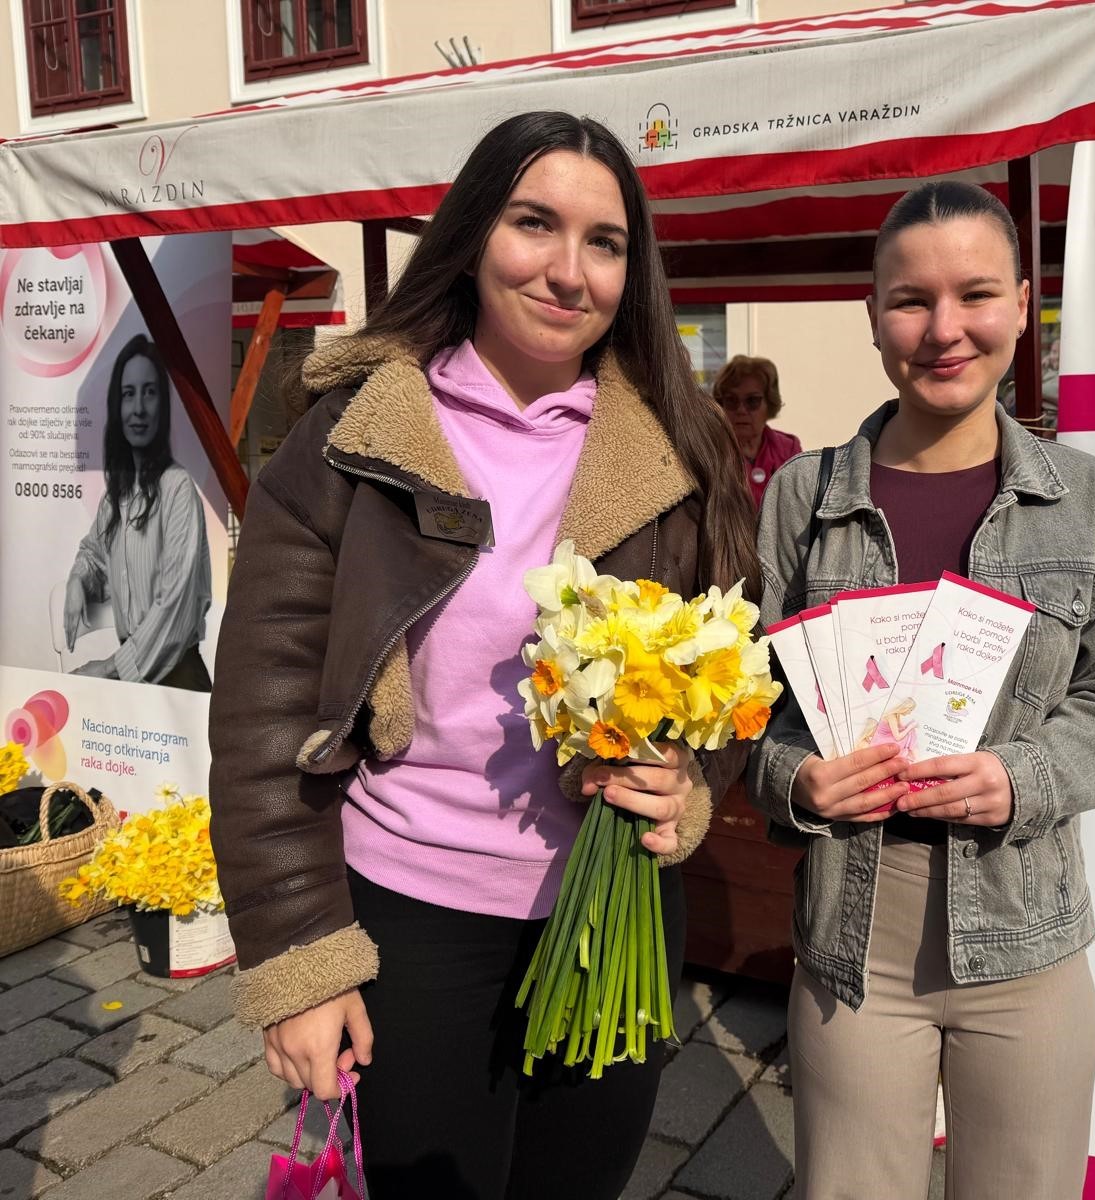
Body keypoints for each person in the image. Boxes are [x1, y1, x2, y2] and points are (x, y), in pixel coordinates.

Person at [208, 112, 756, 1200]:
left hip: (612, 911)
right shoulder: (353, 436)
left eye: (604, 242)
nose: (569, 271)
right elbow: (266, 711)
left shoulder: (682, 447)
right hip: (409, 916)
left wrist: (691, 781)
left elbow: (737, 670)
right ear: (469, 237)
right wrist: (298, 961)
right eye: (533, 223)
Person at [746, 181, 1095, 1200]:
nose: (944, 329)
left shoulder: (1086, 503)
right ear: (872, 316)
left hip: (1026, 936)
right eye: (911, 300)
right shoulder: (802, 501)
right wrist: (796, 779)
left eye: (976, 294)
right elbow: (747, 705)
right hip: (855, 941)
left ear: (1024, 305)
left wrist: (1027, 776)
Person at [63, 333, 211, 691]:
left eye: (150, 392)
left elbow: (173, 605)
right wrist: (77, 580)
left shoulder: (179, 489)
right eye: (129, 394)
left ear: (163, 404)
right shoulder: (115, 498)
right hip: (134, 683)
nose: (139, 408)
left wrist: (109, 668)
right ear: (118, 407)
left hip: (178, 679)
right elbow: (93, 554)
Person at [713, 354, 801, 506]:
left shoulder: (788, 449)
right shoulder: (711, 450)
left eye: (752, 401)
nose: (741, 410)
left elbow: (799, 505)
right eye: (731, 400)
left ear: (770, 403)